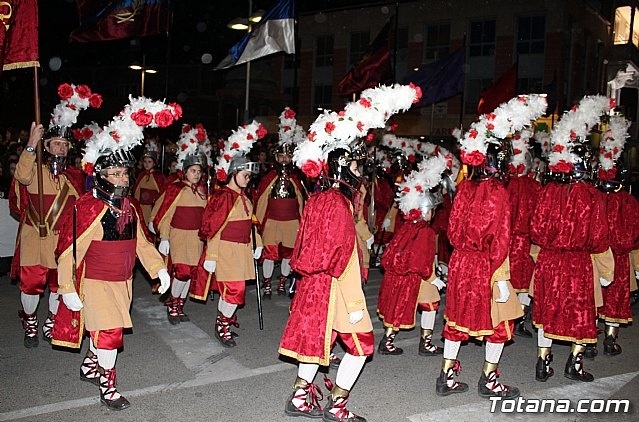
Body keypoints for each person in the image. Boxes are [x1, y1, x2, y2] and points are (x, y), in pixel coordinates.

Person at [279, 83, 420, 422]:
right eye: (356, 168)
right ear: (343, 168)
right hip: (335, 288)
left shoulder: (319, 197)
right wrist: (356, 304)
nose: (359, 174)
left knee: (317, 342)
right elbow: (337, 257)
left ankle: (300, 396)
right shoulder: (337, 203)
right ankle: (337, 406)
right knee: (361, 345)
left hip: (316, 286)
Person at [52, 96, 180, 411]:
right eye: (117, 174)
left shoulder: (129, 207)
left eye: (125, 173)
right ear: (102, 176)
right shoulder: (90, 207)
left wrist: (158, 269)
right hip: (96, 282)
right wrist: (66, 288)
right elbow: (69, 250)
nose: (123, 179)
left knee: (106, 330)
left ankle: (89, 364)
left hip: (123, 283)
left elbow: (141, 244)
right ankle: (109, 388)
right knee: (109, 333)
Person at [437, 94, 546, 399]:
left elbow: (452, 231)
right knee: (500, 322)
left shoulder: (463, 188)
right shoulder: (497, 191)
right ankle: (489, 379)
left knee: (456, 321)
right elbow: (501, 239)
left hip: (461, 261)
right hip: (487, 265)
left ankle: (445, 376)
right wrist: (500, 277)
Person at [10, 83, 100, 348]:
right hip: (34, 237)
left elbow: (87, 204)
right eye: (55, 144)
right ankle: (29, 320)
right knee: (30, 285)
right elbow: (21, 177)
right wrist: (31, 144)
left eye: (64, 144)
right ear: (46, 146)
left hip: (62, 241)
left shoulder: (74, 175)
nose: (60, 148)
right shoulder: (34, 168)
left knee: (58, 284)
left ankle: (51, 318)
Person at [531, 95, 613, 383]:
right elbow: (599, 237)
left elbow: (536, 230)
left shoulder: (547, 192)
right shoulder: (592, 196)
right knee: (580, 315)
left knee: (548, 311)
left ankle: (542, 361)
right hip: (577, 263)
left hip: (549, 260)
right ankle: (574, 364)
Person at [192, 121, 266, 348]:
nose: (247, 179)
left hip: (241, 250)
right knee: (234, 290)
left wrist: (258, 243)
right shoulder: (223, 197)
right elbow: (213, 228)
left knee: (234, 290)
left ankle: (224, 320)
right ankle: (222, 324)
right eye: (244, 174)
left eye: (249, 176)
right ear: (233, 173)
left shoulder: (244, 197)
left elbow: (252, 223)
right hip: (225, 250)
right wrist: (212, 256)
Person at [377, 153, 448, 357]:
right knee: (431, 304)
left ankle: (388, 340)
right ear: (426, 211)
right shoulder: (425, 231)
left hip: (403, 276)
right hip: (417, 276)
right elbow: (422, 261)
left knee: (397, 308)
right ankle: (425, 343)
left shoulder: (408, 226)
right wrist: (434, 279)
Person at [150, 124, 210, 324]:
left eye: (199, 171)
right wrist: (164, 237)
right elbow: (164, 214)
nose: (196, 174)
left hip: (196, 238)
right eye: (193, 170)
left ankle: (179, 305)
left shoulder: (202, 192)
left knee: (191, 272)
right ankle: (173, 305)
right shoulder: (176, 189)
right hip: (179, 236)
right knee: (182, 271)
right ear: (184, 171)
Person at [592, 115, 638, 357]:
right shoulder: (628, 202)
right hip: (618, 257)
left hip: (596, 255)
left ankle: (588, 341)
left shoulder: (593, 197)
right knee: (615, 299)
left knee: (594, 298)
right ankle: (609, 338)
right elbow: (632, 234)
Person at [254, 108, 305, 297]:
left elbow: (301, 202)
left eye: (288, 157)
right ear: (276, 158)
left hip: (291, 222)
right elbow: (261, 202)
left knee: (288, 254)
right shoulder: (268, 178)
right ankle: (267, 283)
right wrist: (257, 225)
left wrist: (302, 224)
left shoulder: (297, 180)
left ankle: (282, 281)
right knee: (269, 254)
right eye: (281, 157)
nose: (284, 160)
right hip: (273, 222)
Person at [505, 129, 542, 337]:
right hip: (527, 242)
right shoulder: (536, 187)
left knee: (506, 281)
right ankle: (519, 321)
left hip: (508, 241)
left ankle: (507, 319)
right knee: (526, 285)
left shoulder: (505, 185)